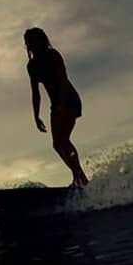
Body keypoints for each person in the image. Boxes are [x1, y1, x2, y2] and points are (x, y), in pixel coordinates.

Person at [24, 27, 89, 188]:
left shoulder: (53, 55)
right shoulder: (31, 66)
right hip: (56, 105)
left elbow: (62, 79)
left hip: (69, 99)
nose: (31, 43)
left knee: (63, 140)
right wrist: (36, 116)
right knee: (57, 144)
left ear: (42, 39)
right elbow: (36, 93)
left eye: (34, 39)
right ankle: (80, 177)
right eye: (29, 40)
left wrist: (61, 103)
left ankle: (79, 178)